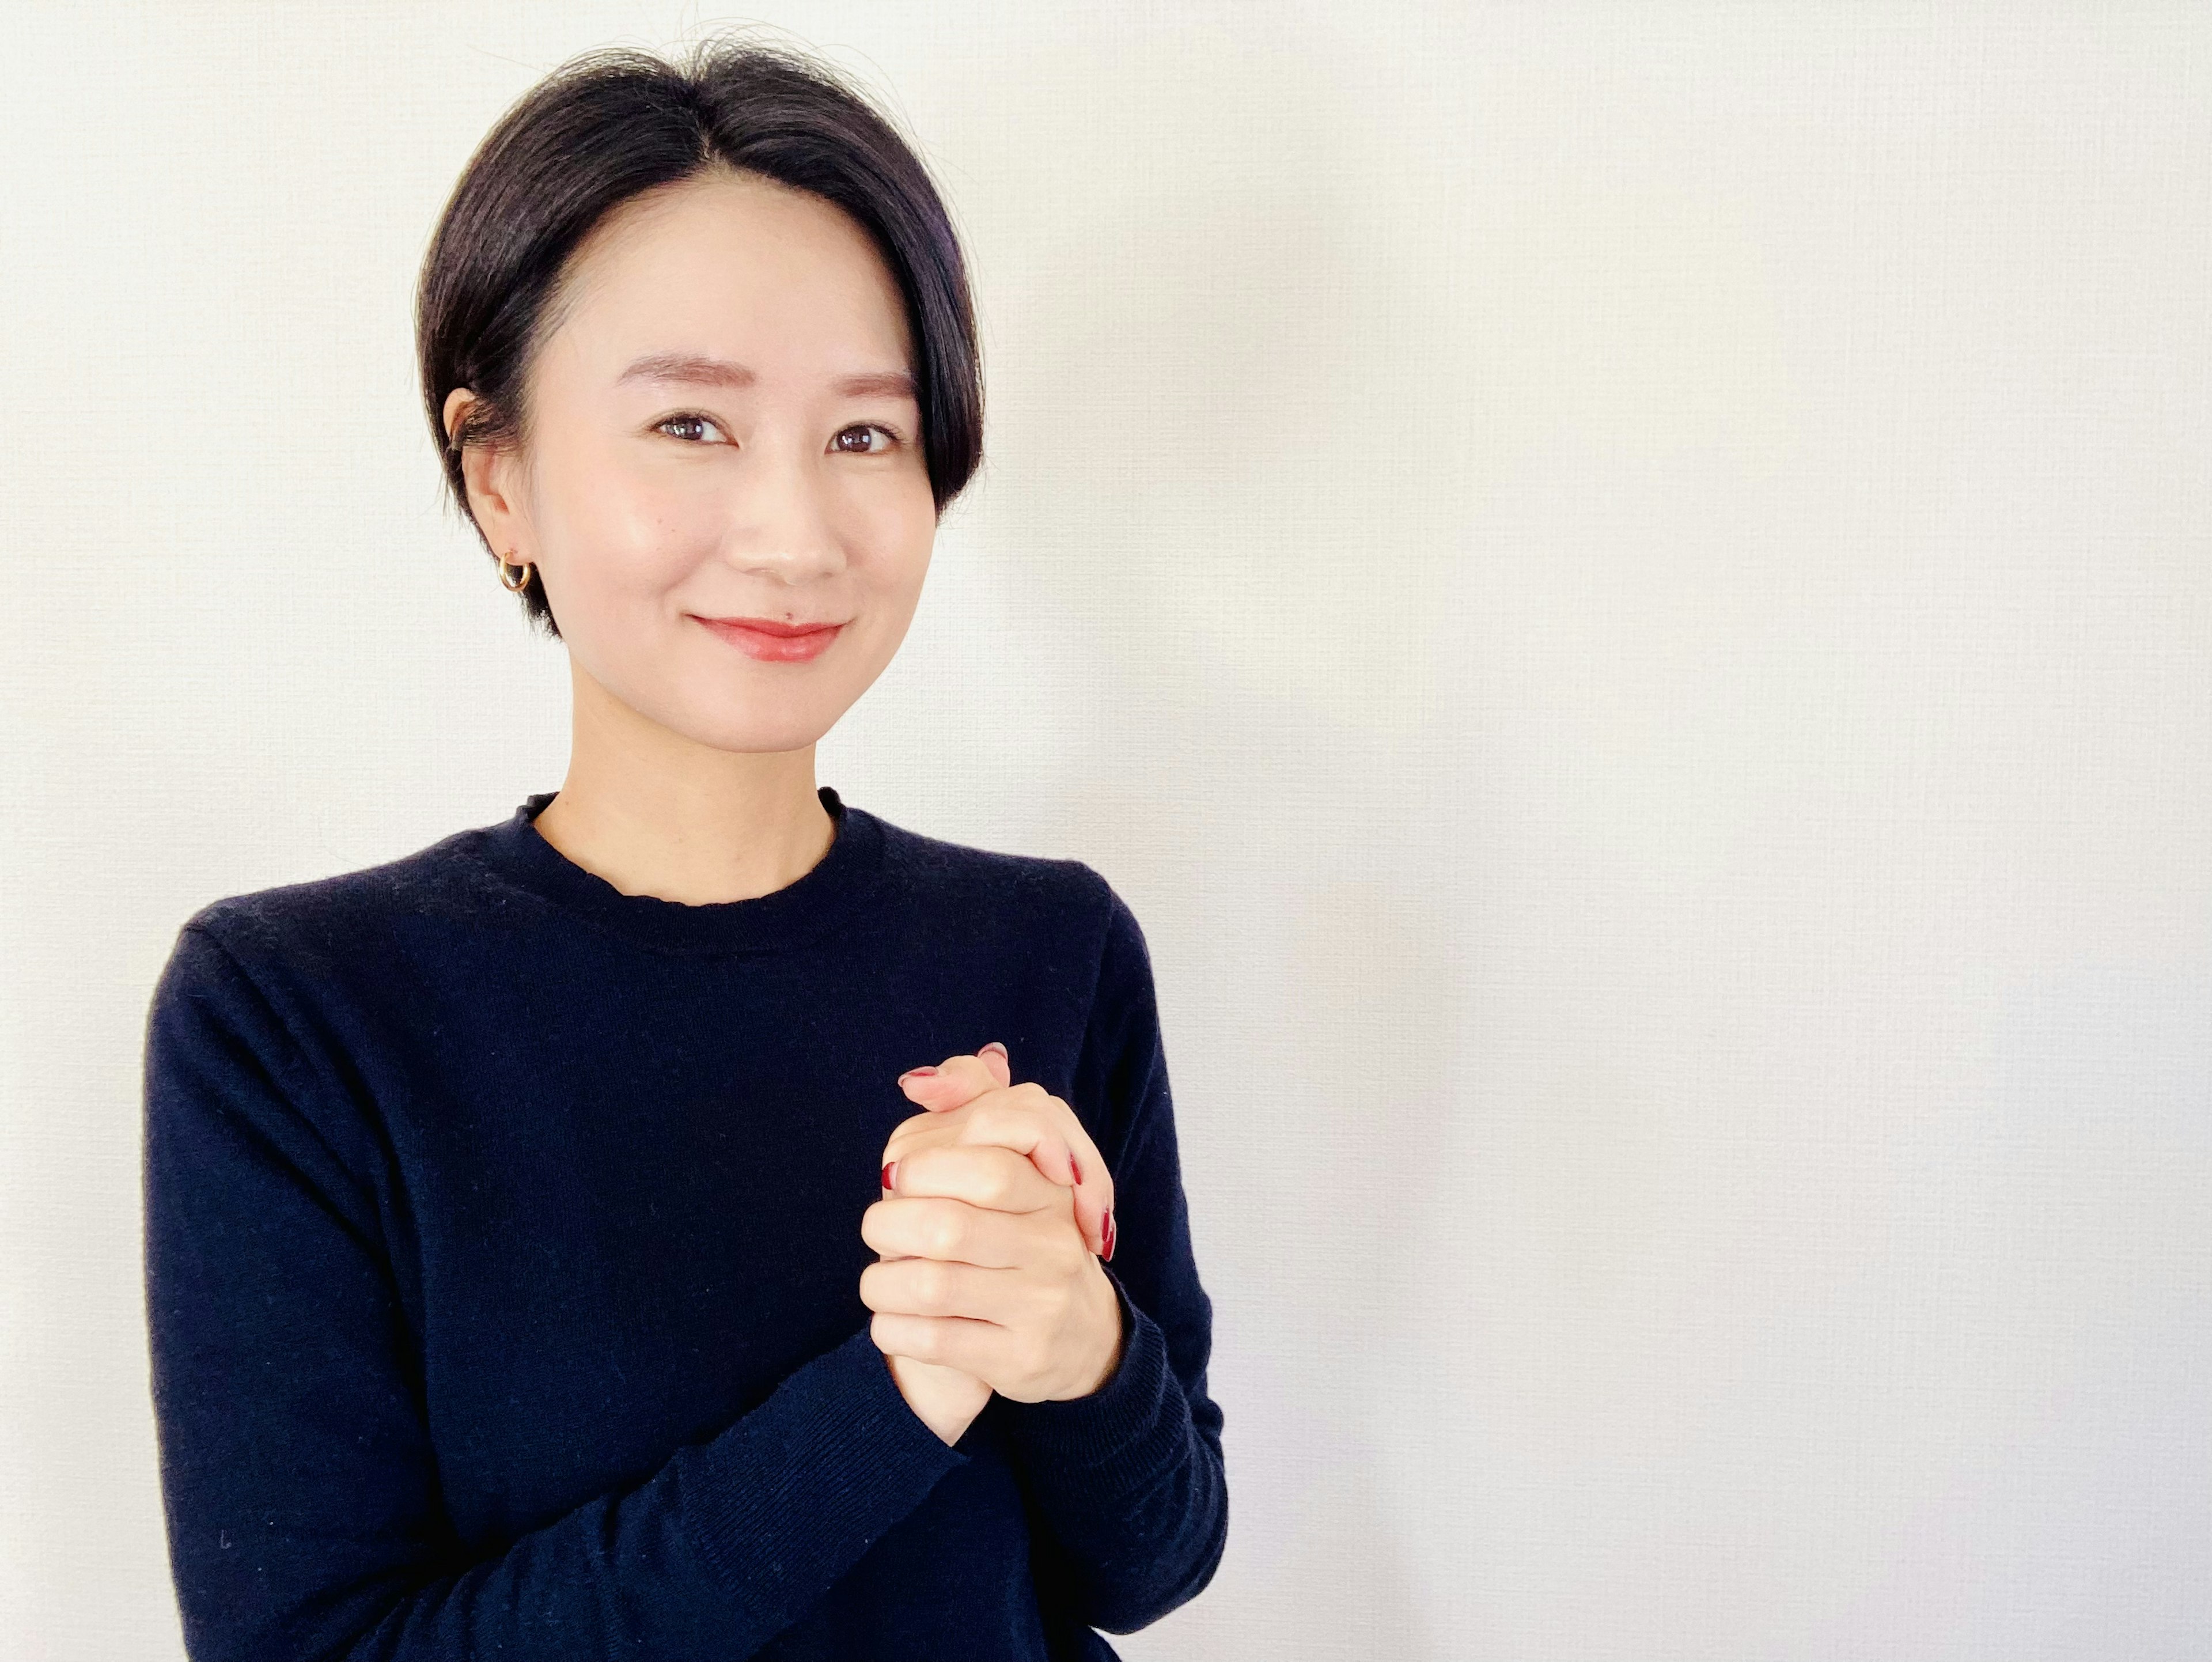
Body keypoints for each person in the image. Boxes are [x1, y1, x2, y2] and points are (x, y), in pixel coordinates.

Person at [139, 36, 1226, 1661]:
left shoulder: (1050, 950)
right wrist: (904, 1381)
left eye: (866, 437)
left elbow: (1151, 1564)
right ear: (499, 477)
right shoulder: (300, 1015)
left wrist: (1081, 1346)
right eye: (693, 428)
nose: (794, 535)